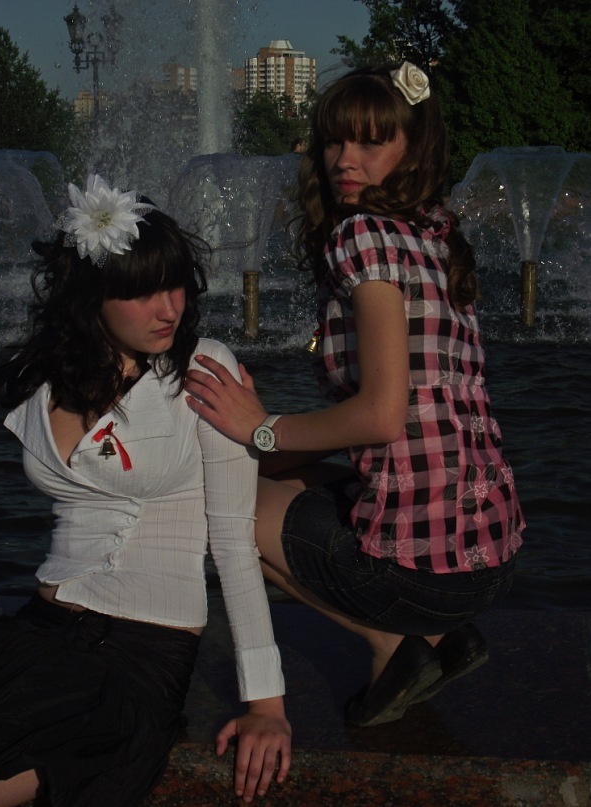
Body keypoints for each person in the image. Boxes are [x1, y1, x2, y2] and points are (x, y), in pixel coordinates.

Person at [185, 62, 525, 727]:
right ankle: (444, 637)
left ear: (412, 149)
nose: (345, 159)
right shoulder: (432, 231)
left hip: (419, 574)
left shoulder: (361, 235)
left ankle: (391, 643)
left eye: (371, 142)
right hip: (491, 555)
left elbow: (380, 416)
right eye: (335, 140)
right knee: (266, 476)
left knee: (211, 500)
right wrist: (264, 452)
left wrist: (259, 427)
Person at [0, 174, 291, 806]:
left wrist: (266, 703)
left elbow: (233, 542)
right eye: (141, 292)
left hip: (134, 655)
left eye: (175, 285)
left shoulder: (203, 370)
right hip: (37, 630)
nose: (169, 309)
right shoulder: (48, 379)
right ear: (91, 296)